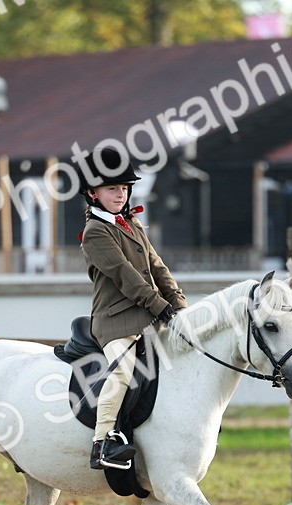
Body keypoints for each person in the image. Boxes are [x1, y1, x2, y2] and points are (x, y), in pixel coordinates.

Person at [79, 147, 187, 470]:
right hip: (116, 323)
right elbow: (127, 277)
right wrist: (161, 307)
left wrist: (180, 307)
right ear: (93, 193)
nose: (120, 194)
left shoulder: (132, 224)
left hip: (149, 318)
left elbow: (157, 267)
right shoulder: (95, 233)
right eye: (112, 188)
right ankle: (102, 443)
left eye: (124, 188)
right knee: (123, 371)